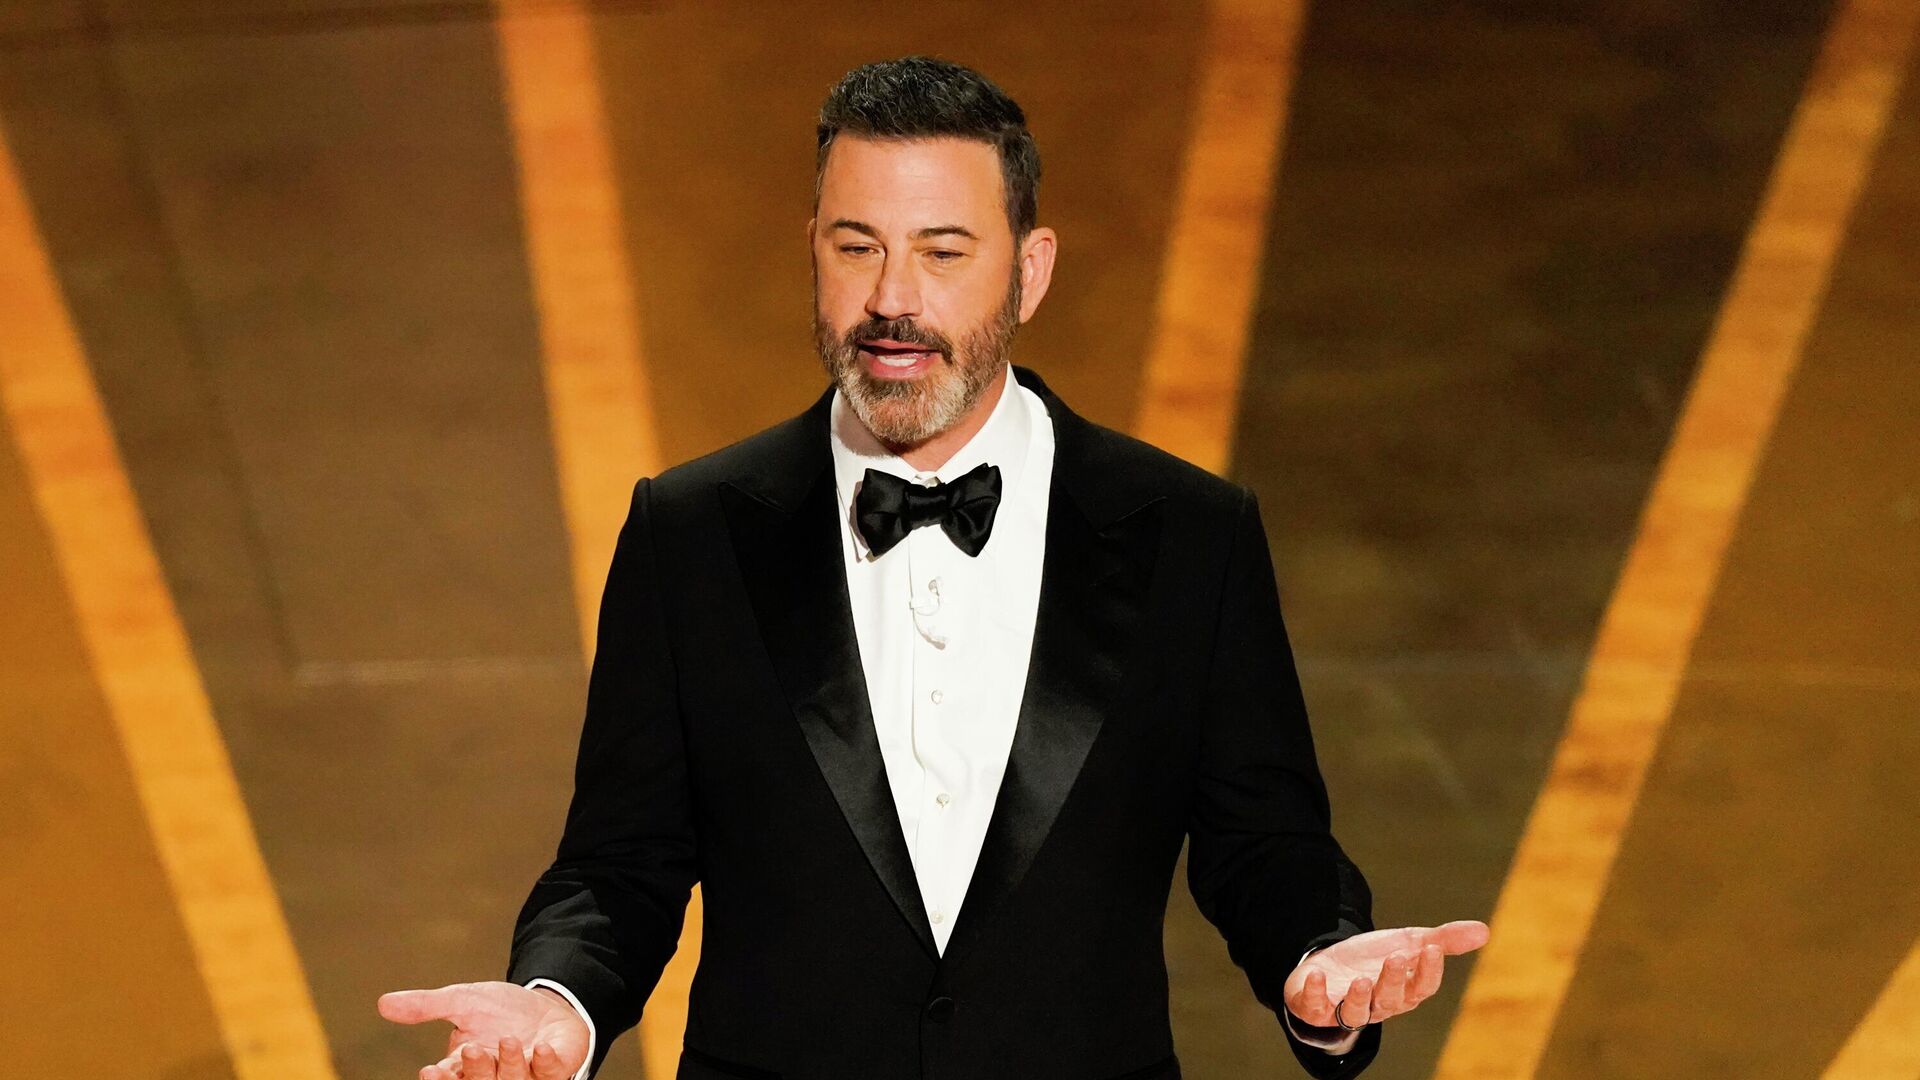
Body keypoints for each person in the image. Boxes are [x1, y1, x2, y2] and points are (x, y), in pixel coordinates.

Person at [378, 55, 1488, 1080]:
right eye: (856, 246)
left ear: (1030, 271)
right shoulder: (691, 533)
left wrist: (1320, 960)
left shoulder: (1191, 534)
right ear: (811, 249)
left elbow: (1264, 844)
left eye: (943, 253)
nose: (891, 299)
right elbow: (620, 862)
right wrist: (558, 1003)